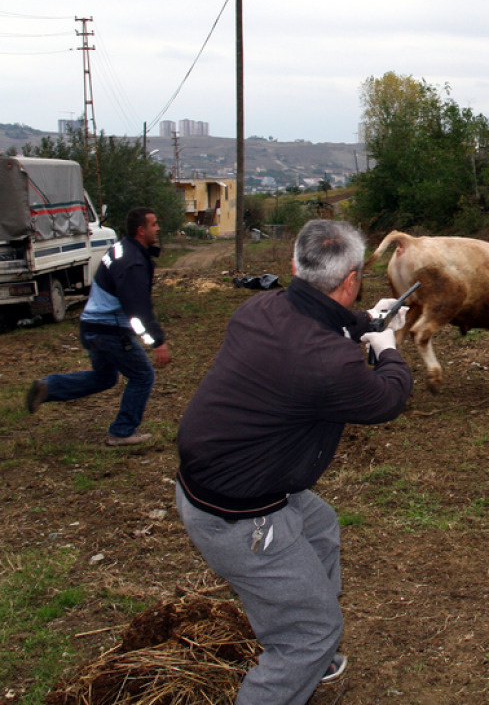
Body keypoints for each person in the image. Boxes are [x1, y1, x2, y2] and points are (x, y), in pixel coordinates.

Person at [176, 219, 413, 705]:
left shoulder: (258, 308)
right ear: (351, 280)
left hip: (218, 480)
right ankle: (303, 646)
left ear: (294, 268)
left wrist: (370, 321)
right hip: (241, 514)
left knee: (320, 525)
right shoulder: (327, 361)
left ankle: (305, 640)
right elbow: (386, 399)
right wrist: (388, 349)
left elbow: (317, 331)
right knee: (311, 633)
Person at [26, 207, 171, 446]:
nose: (158, 228)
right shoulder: (133, 262)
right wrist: (157, 341)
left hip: (92, 326)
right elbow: (137, 310)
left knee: (104, 378)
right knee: (143, 375)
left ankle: (48, 388)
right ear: (140, 230)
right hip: (109, 330)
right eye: (154, 224)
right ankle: (122, 431)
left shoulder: (122, 248)